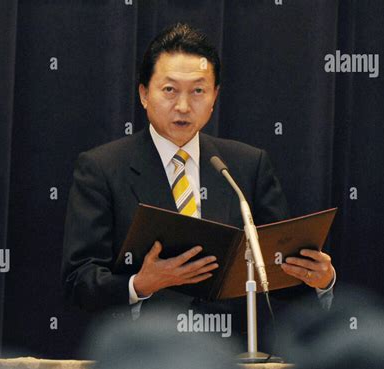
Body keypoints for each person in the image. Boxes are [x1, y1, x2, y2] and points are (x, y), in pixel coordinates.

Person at [61, 23, 335, 350]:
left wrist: (320, 281)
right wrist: (140, 284)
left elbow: (275, 274)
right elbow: (78, 282)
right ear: (144, 94)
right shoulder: (102, 168)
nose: (183, 106)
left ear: (215, 96)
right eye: (169, 90)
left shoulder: (245, 166)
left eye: (198, 91)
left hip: (230, 361)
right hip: (141, 359)